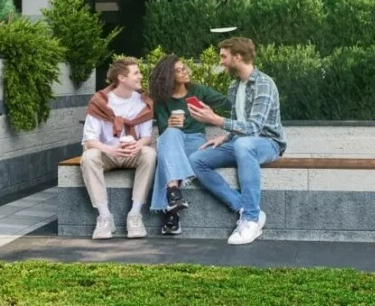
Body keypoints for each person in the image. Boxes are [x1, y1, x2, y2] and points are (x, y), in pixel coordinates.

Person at [188, 37, 286, 245]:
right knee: (197, 159)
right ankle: (245, 207)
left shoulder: (264, 84)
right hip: (240, 143)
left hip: (268, 143)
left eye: (224, 57)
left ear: (238, 57)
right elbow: (238, 122)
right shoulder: (234, 86)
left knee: (243, 144)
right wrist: (224, 137)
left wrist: (216, 120)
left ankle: (250, 220)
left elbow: (254, 127)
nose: (221, 61)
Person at [149, 54, 230, 235]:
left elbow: (228, 103)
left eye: (184, 68)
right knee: (171, 135)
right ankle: (174, 195)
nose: (185, 72)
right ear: (169, 77)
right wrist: (169, 123)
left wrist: (214, 116)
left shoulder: (198, 91)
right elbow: (164, 131)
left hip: (195, 139)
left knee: (166, 160)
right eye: (178, 71)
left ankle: (172, 206)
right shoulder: (162, 99)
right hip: (173, 138)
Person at [81, 57, 157, 240]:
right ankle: (104, 216)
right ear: (122, 78)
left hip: (132, 153)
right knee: (89, 157)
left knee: (149, 153)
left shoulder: (143, 102)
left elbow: (146, 137)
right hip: (107, 153)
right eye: (136, 73)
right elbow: (90, 140)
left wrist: (138, 145)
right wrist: (111, 150)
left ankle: (135, 214)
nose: (140, 76)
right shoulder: (100, 101)